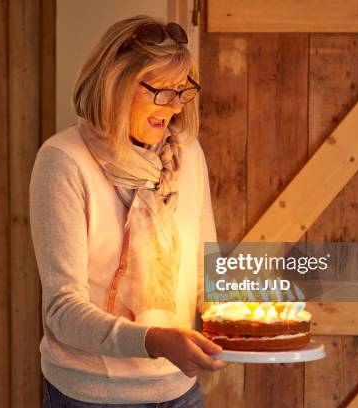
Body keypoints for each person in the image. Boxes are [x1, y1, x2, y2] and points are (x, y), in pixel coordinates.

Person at [30, 15, 227, 407]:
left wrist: (253, 334)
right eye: (160, 90)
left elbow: (209, 267)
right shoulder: (64, 161)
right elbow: (62, 311)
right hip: (93, 394)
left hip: (179, 390)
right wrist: (152, 340)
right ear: (114, 83)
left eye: (182, 90)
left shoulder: (186, 155)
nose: (173, 106)